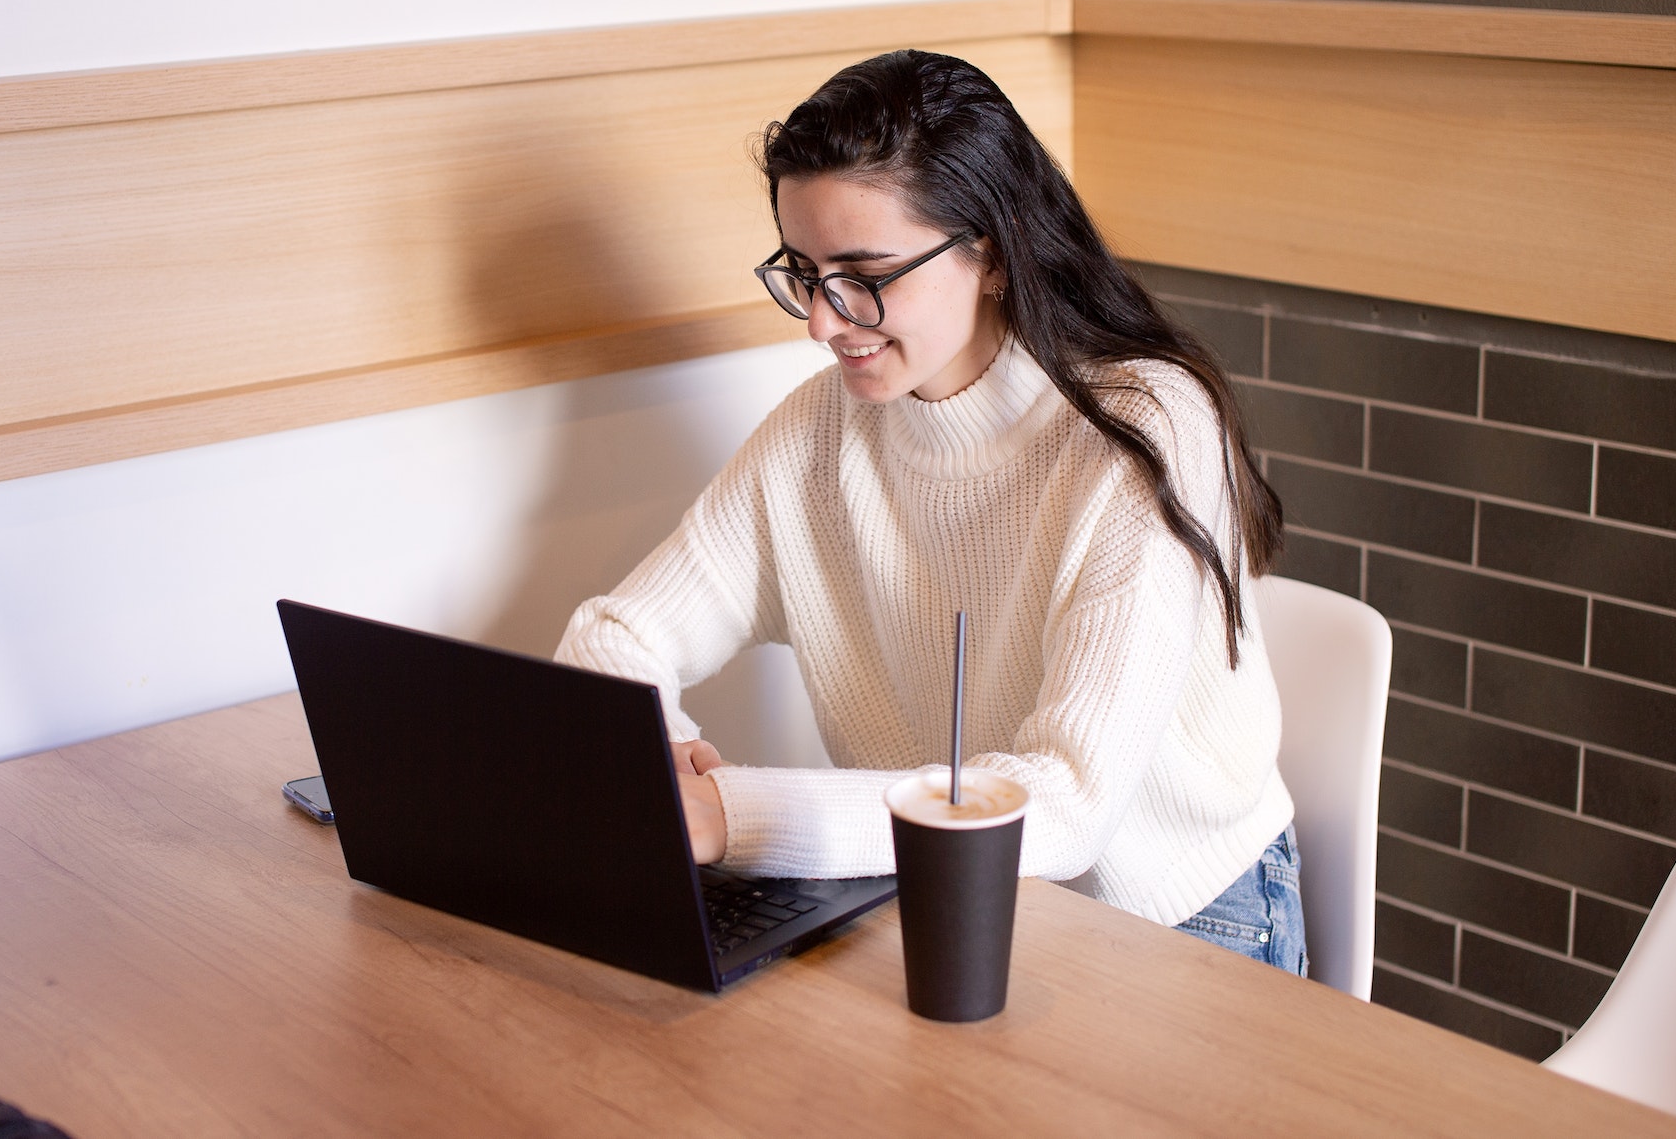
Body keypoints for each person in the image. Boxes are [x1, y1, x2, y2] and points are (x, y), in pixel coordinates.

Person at [555, 50, 1305, 972]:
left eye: (863, 274)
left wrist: (729, 815)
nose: (823, 322)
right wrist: (668, 764)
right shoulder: (819, 434)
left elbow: (1065, 810)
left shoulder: (1143, 429)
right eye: (804, 271)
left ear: (990, 249)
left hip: (1172, 919)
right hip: (936, 891)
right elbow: (612, 638)